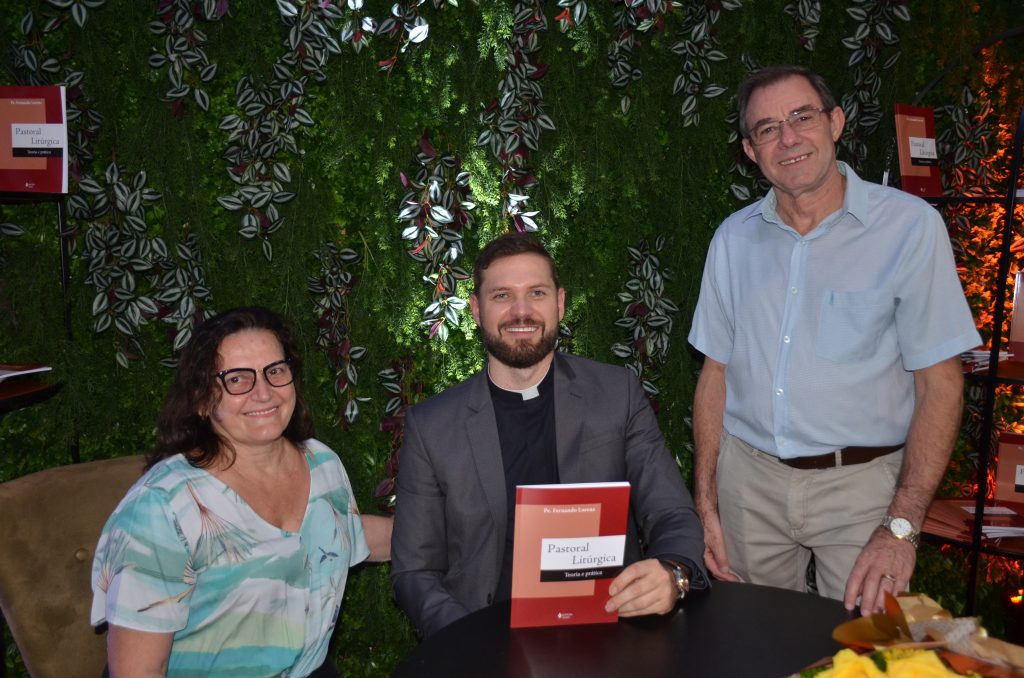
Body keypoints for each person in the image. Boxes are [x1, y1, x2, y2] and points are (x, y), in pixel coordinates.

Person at [688, 65, 981, 616]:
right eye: (768, 129)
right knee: (748, 640)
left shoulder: (909, 229)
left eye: (802, 117)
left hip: (864, 491)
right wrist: (705, 502)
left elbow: (940, 386)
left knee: (862, 646)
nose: (788, 138)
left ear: (836, 122)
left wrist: (901, 525)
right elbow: (715, 375)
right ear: (750, 150)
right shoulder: (732, 241)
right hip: (749, 485)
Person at [390, 232, 707, 637]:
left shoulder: (616, 395)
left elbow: (671, 512)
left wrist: (673, 571)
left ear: (559, 303)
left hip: (608, 626)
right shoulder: (433, 426)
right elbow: (414, 571)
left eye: (536, 293)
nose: (521, 311)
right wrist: (467, 639)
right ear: (476, 310)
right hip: (484, 638)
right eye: (502, 295)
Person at [90, 306, 391, 677]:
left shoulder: (322, 463)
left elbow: (343, 530)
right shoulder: (161, 507)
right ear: (202, 398)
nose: (263, 393)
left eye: (275, 371)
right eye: (236, 379)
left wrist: (449, 525)